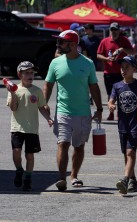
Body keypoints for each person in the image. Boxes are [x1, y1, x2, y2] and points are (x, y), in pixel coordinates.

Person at [43, 30, 103, 191]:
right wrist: (45, 102)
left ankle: (74, 175)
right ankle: (61, 177)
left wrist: (99, 108)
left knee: (79, 146)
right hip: (63, 111)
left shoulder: (87, 63)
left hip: (83, 113)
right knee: (63, 143)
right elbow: (48, 84)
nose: (59, 44)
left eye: (62, 42)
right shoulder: (55, 63)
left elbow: (94, 87)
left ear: (72, 44)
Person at [6, 61, 53, 191]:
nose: (30, 75)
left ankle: (28, 178)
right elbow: (13, 108)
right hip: (17, 127)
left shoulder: (37, 91)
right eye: (27, 73)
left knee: (30, 155)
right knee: (16, 151)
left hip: (32, 128)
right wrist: (13, 93)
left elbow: (41, 108)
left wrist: (49, 118)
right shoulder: (14, 89)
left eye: (32, 72)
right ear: (19, 74)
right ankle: (19, 170)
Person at [107, 56, 137, 194]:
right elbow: (111, 100)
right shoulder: (117, 86)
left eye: (127, 67)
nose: (123, 70)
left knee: (131, 152)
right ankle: (133, 180)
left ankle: (125, 180)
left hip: (136, 124)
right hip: (122, 125)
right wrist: (111, 105)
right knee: (126, 153)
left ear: (134, 69)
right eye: (122, 67)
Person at [97, 22, 134, 120]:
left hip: (121, 72)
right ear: (110, 30)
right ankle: (111, 113)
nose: (114, 32)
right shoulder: (104, 41)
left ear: (119, 30)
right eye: (112, 30)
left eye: (116, 30)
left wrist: (122, 49)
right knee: (110, 94)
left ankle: (119, 113)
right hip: (108, 72)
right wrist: (106, 59)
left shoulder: (124, 40)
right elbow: (98, 55)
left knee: (121, 93)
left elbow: (133, 52)